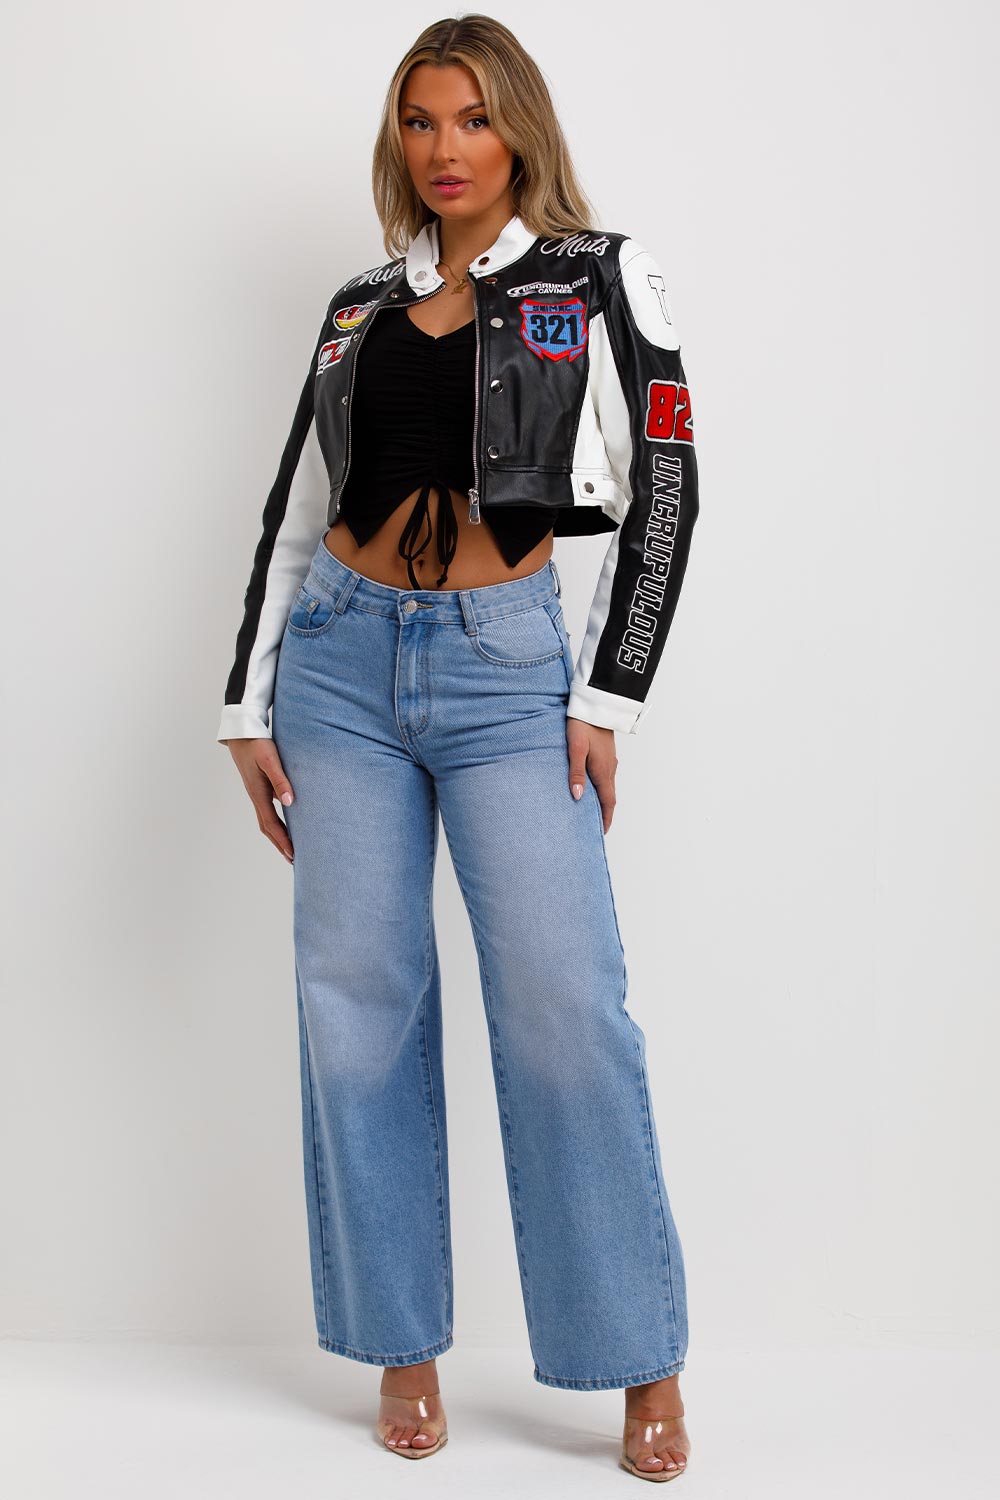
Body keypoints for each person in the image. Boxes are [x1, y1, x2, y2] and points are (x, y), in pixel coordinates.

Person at [218, 13, 699, 1484]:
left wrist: (604, 698)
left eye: (474, 120)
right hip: (340, 668)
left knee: (565, 1007)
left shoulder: (599, 275)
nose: (446, 149)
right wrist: (247, 704)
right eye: (422, 121)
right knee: (356, 1002)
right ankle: (403, 1348)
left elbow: (670, 488)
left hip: (507, 676)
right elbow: (300, 507)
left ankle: (639, 1362)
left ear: (519, 132)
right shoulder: (358, 303)